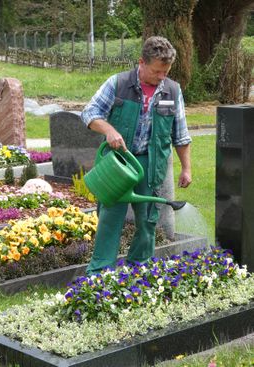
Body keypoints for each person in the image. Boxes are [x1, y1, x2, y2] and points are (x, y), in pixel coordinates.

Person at [81, 36, 192, 275]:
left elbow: (180, 134)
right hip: (118, 164)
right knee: (110, 218)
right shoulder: (118, 83)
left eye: (166, 71)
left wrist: (186, 168)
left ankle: (138, 270)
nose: (162, 77)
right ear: (141, 62)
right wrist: (109, 130)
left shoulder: (172, 90)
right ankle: (99, 274)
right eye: (157, 71)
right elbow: (89, 113)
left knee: (148, 221)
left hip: (151, 165)